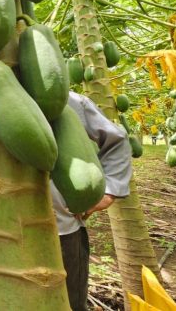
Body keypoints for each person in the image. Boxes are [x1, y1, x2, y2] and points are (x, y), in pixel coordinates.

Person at [53, 91, 132, 311]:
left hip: (63, 230)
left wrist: (110, 190)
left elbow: (116, 140)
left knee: (69, 302)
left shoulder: (68, 101)